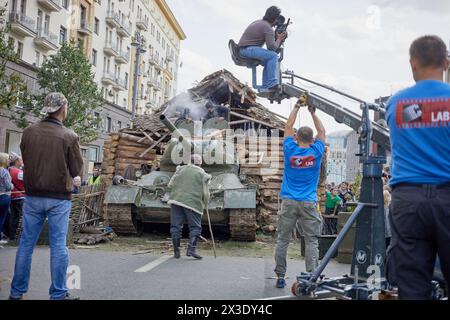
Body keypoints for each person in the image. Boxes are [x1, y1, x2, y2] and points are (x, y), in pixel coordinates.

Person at [386, 35, 450, 300]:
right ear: (446, 63)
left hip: (407, 202)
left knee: (412, 286)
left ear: (412, 64)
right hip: (447, 197)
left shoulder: (396, 103)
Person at [9, 92, 84, 300]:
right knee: (58, 245)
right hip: (59, 197)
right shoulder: (69, 136)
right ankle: (58, 293)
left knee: (26, 244)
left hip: (32, 196)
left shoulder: (29, 132)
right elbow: (77, 168)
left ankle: (16, 293)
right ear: (63, 109)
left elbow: (27, 158)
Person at [274, 99, 326, 289]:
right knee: (311, 240)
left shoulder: (290, 148)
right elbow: (322, 132)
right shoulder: (317, 151)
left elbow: (288, 126)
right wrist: (313, 112)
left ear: (297, 137)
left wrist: (296, 107)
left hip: (288, 201)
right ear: (312, 139)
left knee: (283, 240)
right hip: (308, 202)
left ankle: (280, 276)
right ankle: (312, 277)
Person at [168, 154, 212, 260]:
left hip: (176, 200)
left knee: (176, 226)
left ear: (189, 161)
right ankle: (191, 250)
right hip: (193, 203)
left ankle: (176, 252)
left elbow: (170, 184)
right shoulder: (203, 174)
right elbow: (205, 193)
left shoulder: (180, 169)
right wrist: (206, 203)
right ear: (200, 163)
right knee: (195, 227)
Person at [238, 6, 287, 91]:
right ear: (274, 19)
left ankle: (265, 86)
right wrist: (279, 39)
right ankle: (271, 84)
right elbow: (271, 48)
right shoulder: (267, 28)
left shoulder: (259, 22)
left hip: (244, 49)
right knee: (273, 56)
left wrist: (275, 37)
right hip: (247, 49)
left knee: (268, 61)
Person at [7, 152, 25, 241]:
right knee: (24, 217)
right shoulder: (19, 173)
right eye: (21, 160)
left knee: (14, 217)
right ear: (16, 161)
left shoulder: (9, 170)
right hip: (20, 197)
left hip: (12, 197)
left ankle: (12, 237)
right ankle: (22, 237)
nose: (22, 161)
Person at [0, 153, 13, 246]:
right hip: (3, 197)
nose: (9, 161)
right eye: (8, 159)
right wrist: (12, 185)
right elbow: (9, 186)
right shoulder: (4, 172)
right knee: (1, 219)